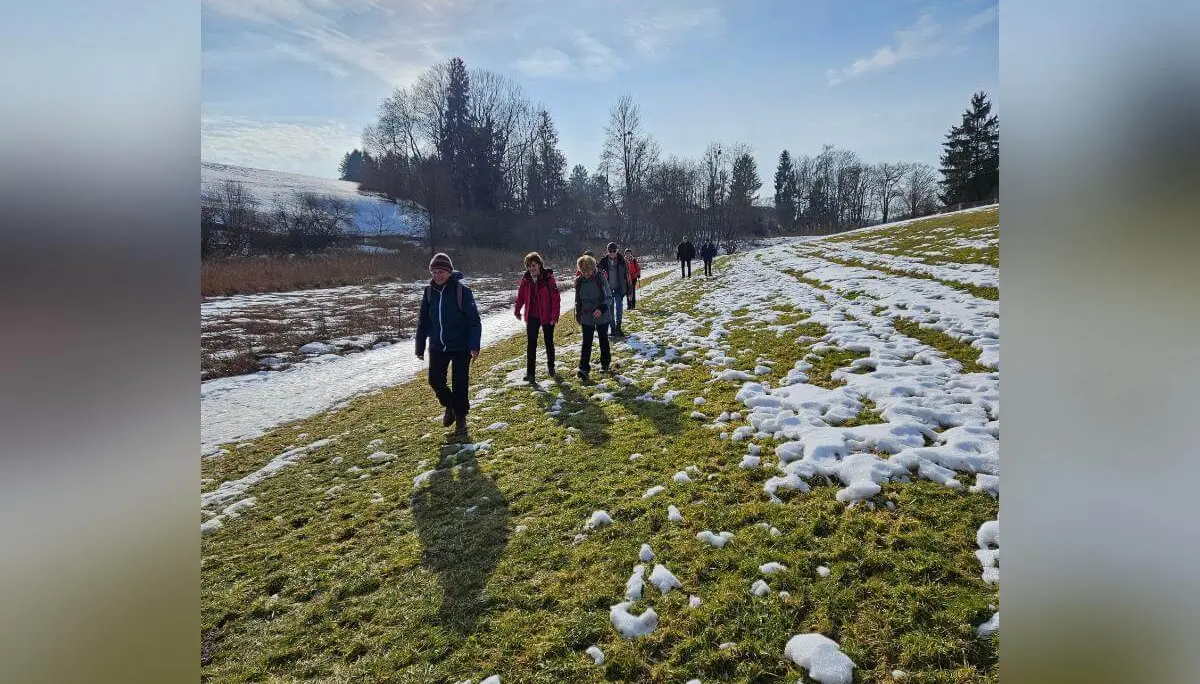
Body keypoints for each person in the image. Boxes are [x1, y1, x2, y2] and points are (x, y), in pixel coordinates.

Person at [415, 252, 482, 436]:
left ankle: (461, 421)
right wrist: (420, 345)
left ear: (449, 272)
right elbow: (423, 321)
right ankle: (450, 405)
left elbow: (474, 321)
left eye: (441, 272)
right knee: (435, 380)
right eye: (434, 272)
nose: (438, 275)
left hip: (461, 346)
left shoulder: (462, 292)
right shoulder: (429, 293)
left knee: (460, 384)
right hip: (437, 346)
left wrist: (474, 345)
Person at [513, 251, 561, 382]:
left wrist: (554, 316)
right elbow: (521, 296)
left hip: (547, 315)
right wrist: (517, 310)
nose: (531, 268)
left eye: (533, 265)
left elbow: (556, 298)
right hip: (532, 315)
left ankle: (551, 367)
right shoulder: (526, 279)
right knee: (531, 344)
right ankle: (531, 374)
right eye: (529, 266)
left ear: (539, 265)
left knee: (548, 341)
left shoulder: (548, 278)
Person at [574, 254, 612, 381]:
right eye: (583, 271)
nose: (586, 274)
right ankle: (584, 369)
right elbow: (577, 300)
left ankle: (605, 363)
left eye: (588, 271)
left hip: (602, 314)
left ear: (593, 268)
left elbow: (608, 297)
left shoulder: (600, 278)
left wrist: (601, 309)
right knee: (586, 343)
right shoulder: (579, 281)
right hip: (586, 315)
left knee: (603, 340)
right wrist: (578, 314)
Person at [597, 242, 629, 337]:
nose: (612, 253)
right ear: (607, 251)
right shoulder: (603, 262)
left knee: (619, 308)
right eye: (610, 251)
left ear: (617, 251)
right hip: (608, 290)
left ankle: (619, 327)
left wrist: (629, 290)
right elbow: (598, 275)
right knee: (610, 310)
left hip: (619, 288)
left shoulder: (622, 261)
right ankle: (613, 329)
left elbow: (627, 277)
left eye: (614, 251)